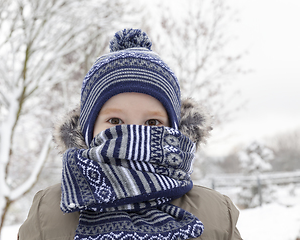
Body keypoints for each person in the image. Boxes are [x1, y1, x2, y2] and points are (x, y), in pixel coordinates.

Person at [18, 29, 242, 240]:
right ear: (87, 130)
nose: (134, 133)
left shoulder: (216, 213)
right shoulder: (48, 212)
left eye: (152, 122)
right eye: (115, 121)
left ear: (175, 129)